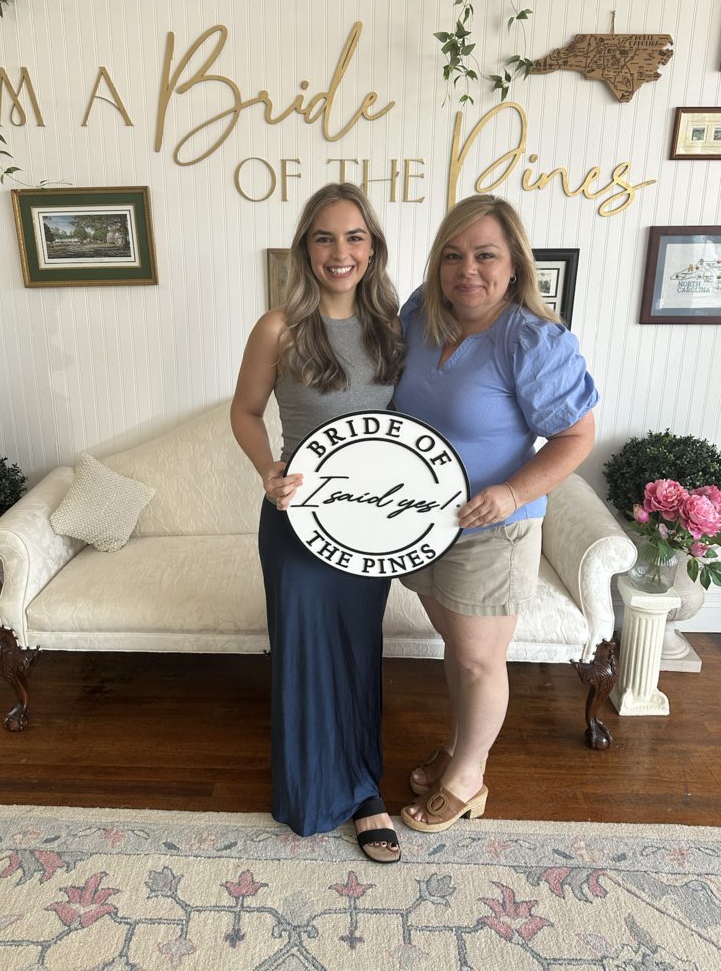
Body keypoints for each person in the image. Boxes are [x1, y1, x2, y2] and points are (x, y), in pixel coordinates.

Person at [392, 194, 598, 833]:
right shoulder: (421, 314)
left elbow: (576, 436)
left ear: (515, 266)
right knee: (458, 649)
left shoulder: (532, 340)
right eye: (452, 256)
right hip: (424, 520)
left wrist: (510, 493)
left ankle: (469, 778)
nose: (467, 271)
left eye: (485, 255)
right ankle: (460, 746)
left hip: (494, 527)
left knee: (481, 660)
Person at [230, 182, 406, 860]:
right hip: (297, 520)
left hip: (372, 524)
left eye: (354, 237)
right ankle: (311, 790)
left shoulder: (394, 326)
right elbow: (245, 412)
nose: (340, 252)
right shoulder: (278, 327)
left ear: (373, 247)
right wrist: (267, 469)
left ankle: (363, 790)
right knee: (304, 654)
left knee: (358, 650)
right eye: (324, 238)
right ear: (305, 248)